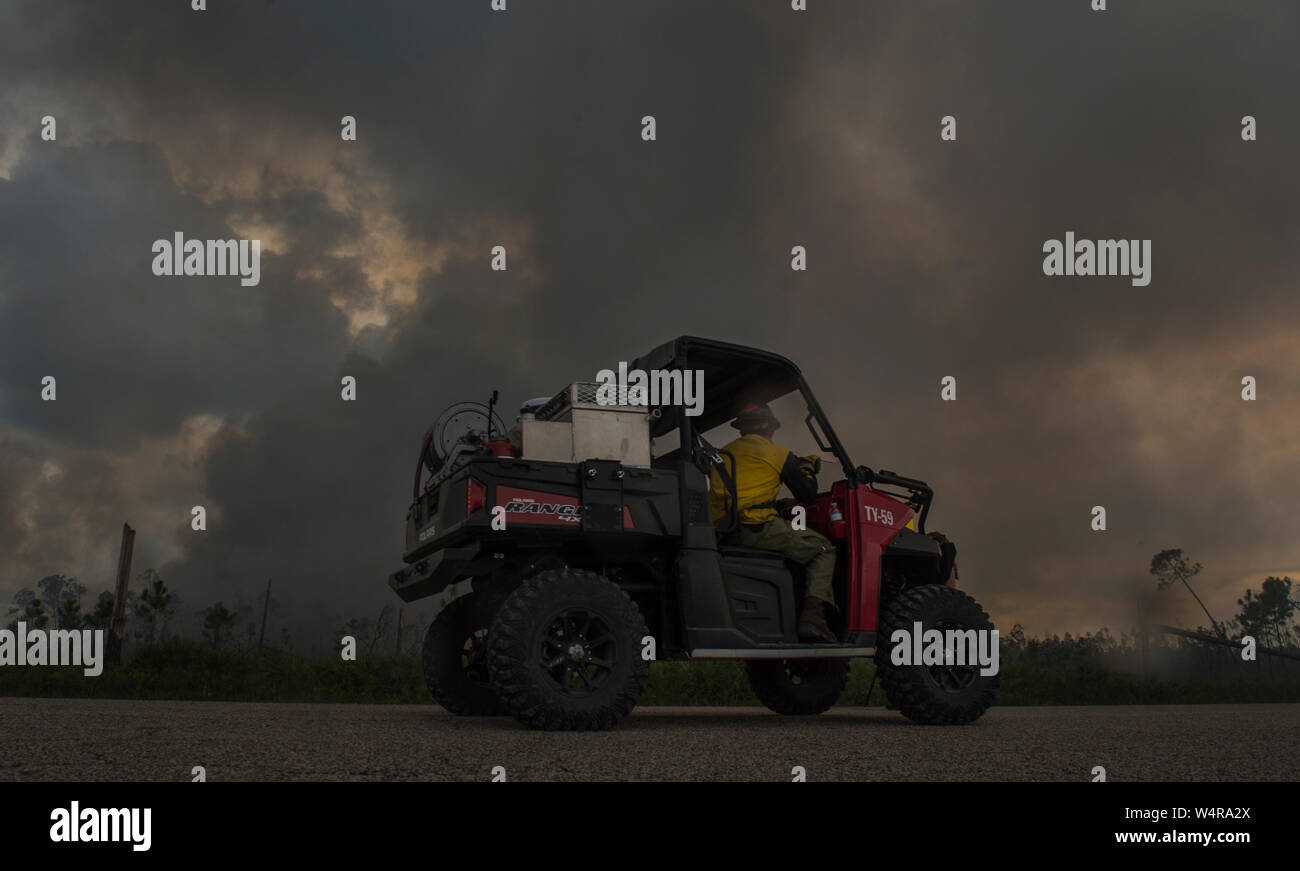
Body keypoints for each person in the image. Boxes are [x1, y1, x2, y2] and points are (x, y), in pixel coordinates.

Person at [708, 402, 838, 643]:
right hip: (757, 530)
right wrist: (807, 468)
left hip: (723, 532)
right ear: (769, 428)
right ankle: (814, 618)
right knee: (823, 549)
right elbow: (807, 494)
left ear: (741, 430)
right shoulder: (778, 453)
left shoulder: (721, 454)